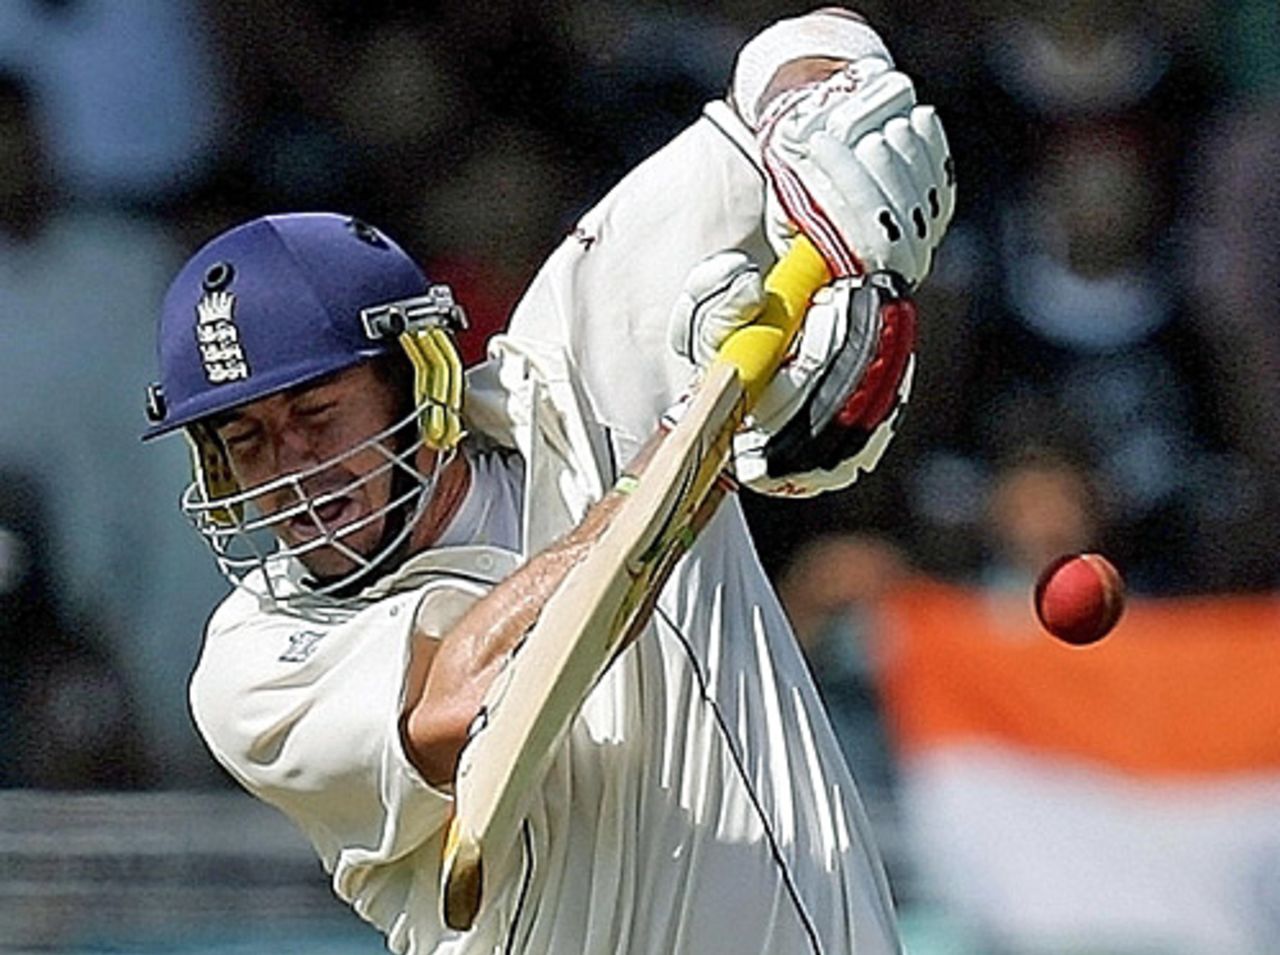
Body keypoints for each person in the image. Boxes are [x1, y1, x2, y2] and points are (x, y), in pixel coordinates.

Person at [143, 10, 954, 954]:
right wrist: (700, 432)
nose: (290, 469)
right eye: (246, 441)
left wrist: (826, 147)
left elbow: (810, 48)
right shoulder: (251, 662)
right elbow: (466, 699)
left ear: (420, 374)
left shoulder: (582, 365)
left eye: (316, 417)